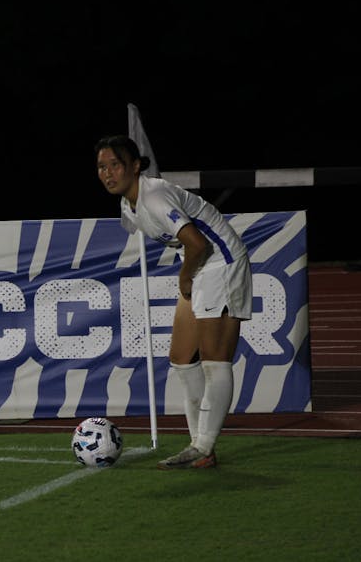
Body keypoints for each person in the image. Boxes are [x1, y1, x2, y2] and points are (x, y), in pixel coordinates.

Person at [95, 135, 252, 469]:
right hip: (201, 267)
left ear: (135, 166)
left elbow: (198, 244)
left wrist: (184, 278)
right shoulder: (129, 203)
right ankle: (200, 449)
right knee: (182, 359)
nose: (108, 173)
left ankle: (203, 446)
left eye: (115, 165)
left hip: (221, 263)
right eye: (101, 167)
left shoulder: (152, 197)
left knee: (214, 361)